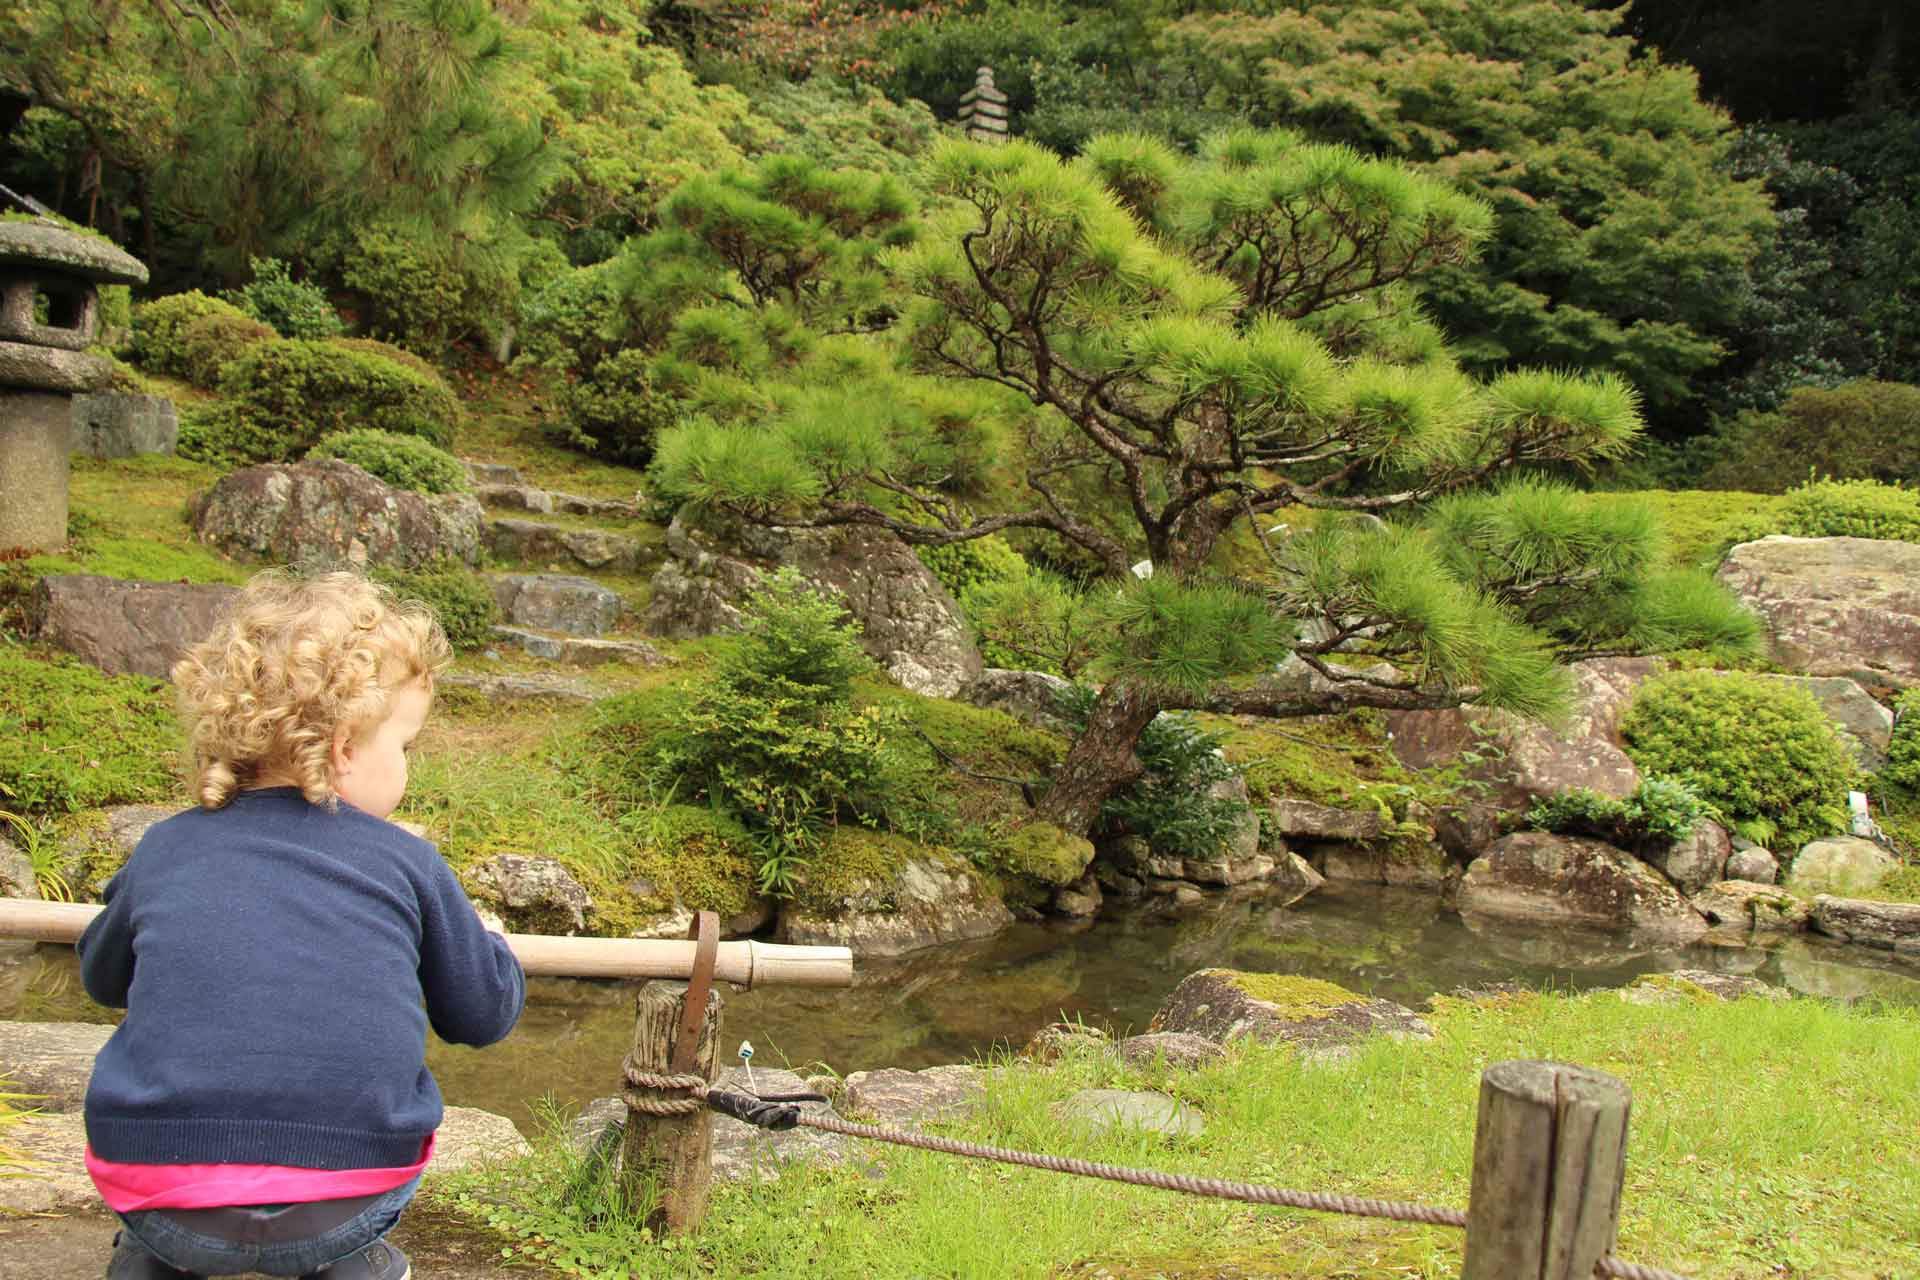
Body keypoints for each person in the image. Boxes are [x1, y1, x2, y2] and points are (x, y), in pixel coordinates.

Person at [77, 571, 526, 1280]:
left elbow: (102, 978)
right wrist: (489, 939)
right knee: (332, 1223)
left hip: (158, 1189)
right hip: (347, 1195)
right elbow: (482, 1015)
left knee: (174, 1224)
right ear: (345, 747)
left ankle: (153, 1261)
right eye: (404, 745)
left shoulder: (166, 846)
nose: (407, 766)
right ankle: (359, 1267)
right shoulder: (407, 864)